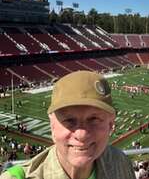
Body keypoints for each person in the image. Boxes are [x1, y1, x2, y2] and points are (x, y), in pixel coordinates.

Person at [0, 70, 135, 179]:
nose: (81, 135)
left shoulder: (121, 164)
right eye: (69, 120)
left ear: (111, 124)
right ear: (52, 127)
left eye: (94, 119)